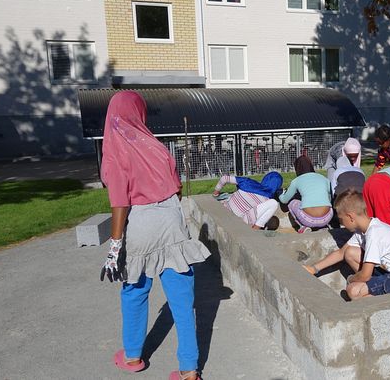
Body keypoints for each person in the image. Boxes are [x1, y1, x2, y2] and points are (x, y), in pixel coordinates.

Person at [100, 90, 210, 380]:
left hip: (140, 222)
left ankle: (133, 356)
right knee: (183, 303)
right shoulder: (155, 146)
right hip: (171, 219)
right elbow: (176, 189)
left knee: (135, 292)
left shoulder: (114, 149)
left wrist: (114, 249)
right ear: (139, 113)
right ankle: (189, 371)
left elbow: (120, 202)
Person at [328, 190, 390, 300]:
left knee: (353, 291)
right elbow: (342, 252)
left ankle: (382, 304)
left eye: (341, 219)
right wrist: (313, 268)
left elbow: (365, 275)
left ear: (350, 217)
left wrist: (351, 279)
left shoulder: (374, 233)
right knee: (350, 253)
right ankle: (374, 291)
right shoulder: (365, 229)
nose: (341, 223)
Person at [212, 171, 282, 230]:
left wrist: (215, 194)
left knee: (231, 196)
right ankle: (255, 230)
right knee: (274, 203)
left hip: (224, 210)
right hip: (236, 222)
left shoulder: (247, 182)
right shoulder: (267, 200)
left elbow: (224, 178)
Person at [279, 156, 333, 233]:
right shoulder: (323, 178)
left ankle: (303, 226)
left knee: (292, 203)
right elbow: (330, 198)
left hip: (308, 220)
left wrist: (280, 193)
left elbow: (284, 200)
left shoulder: (296, 180)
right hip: (327, 217)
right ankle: (323, 226)